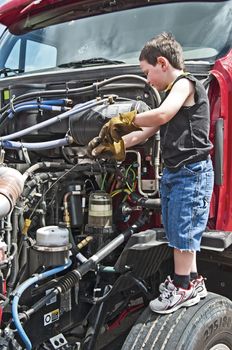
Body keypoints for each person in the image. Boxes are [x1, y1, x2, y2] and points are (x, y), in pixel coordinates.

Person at [87, 32, 214, 314]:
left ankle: (182, 286)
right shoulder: (171, 94)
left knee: (184, 230)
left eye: (147, 72)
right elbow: (147, 131)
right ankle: (192, 281)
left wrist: (123, 119)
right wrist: (113, 143)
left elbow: (160, 116)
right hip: (175, 172)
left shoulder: (185, 84)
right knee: (177, 230)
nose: (147, 81)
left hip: (191, 172)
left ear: (162, 63)